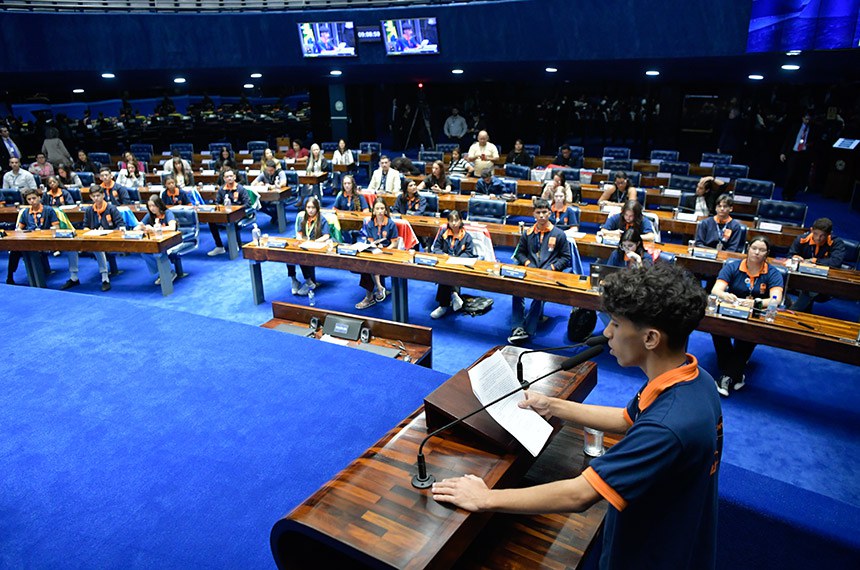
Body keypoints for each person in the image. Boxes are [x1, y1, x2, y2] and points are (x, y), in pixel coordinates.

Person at [433, 264, 720, 570]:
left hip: (651, 555)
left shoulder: (667, 428)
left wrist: (485, 498)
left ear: (650, 338)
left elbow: (579, 495)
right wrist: (553, 406)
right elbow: (627, 419)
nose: (607, 333)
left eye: (616, 325)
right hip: (674, 534)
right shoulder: (695, 379)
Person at [711, 236, 784, 396]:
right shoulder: (733, 266)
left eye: (762, 250)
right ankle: (736, 374)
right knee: (715, 327)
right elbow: (716, 290)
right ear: (748, 249)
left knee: (750, 334)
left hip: (755, 315)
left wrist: (756, 303)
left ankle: (726, 377)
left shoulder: (773, 273)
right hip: (731, 311)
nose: (757, 252)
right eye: (754, 248)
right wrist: (726, 296)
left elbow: (776, 299)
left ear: (767, 253)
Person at [508, 198, 571, 343]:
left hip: (548, 273)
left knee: (539, 294)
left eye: (544, 212)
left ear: (549, 213)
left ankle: (528, 329)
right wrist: (527, 263)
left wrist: (552, 267)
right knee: (516, 290)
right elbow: (520, 253)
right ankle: (517, 327)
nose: (541, 215)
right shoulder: (528, 233)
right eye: (538, 212)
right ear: (534, 214)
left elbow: (565, 257)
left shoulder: (559, 234)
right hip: (530, 271)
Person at [62, 185, 126, 292]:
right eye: (94, 196)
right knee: (71, 246)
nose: (96, 198)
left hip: (108, 239)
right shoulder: (89, 210)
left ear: (103, 195)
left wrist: (106, 231)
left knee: (97, 247)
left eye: (98, 195)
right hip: (91, 237)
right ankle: (74, 277)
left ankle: (105, 278)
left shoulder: (111, 208)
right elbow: (85, 225)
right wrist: (89, 231)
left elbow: (121, 226)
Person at [787, 217, 846, 312]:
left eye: (822, 236)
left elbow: (836, 262)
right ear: (811, 230)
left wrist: (814, 261)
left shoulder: (837, 243)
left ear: (829, 234)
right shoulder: (801, 239)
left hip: (823, 283)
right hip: (801, 278)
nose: (818, 238)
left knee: (809, 289)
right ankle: (789, 305)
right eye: (815, 234)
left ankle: (791, 312)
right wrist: (795, 258)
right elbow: (790, 255)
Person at [6, 187, 59, 285]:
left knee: (34, 250)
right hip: (29, 239)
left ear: (39, 198)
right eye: (29, 199)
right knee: (14, 250)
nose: (32, 201)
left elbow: (56, 227)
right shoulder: (25, 212)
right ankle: (10, 275)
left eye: (34, 198)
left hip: (45, 240)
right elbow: (19, 228)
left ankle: (40, 278)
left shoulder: (48, 210)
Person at [355, 197, 399, 309]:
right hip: (375, 252)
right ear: (373, 210)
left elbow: (394, 243)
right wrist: (374, 246)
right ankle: (379, 288)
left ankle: (370, 295)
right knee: (367, 263)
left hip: (388, 253)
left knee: (369, 265)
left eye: (382, 208)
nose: (380, 211)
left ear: (385, 210)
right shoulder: (370, 224)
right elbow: (370, 241)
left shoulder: (391, 224)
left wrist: (385, 249)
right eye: (377, 208)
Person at [430, 210, 475, 319]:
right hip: (445, 263)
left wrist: (457, 259)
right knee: (445, 273)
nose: (454, 223)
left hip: (459, 265)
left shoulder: (467, 236)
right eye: (451, 221)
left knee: (447, 275)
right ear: (448, 222)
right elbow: (436, 248)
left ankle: (444, 305)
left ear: (461, 221)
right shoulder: (443, 233)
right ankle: (454, 295)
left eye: (456, 220)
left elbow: (469, 253)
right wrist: (443, 255)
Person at [289, 196, 330, 296]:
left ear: (317, 208)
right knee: (288, 255)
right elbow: (299, 233)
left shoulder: (322, 219)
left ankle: (309, 282)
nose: (310, 210)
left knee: (302, 256)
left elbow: (326, 235)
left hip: (316, 246)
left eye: (313, 208)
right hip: (304, 244)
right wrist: (299, 239)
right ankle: (294, 280)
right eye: (308, 207)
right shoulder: (303, 219)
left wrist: (315, 241)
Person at [134, 195, 178, 285]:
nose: (152, 208)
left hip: (170, 240)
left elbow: (172, 227)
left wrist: (154, 229)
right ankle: (163, 272)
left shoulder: (167, 213)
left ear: (159, 205)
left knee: (158, 252)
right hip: (157, 241)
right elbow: (136, 228)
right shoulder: (149, 215)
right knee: (144, 251)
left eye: (154, 206)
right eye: (150, 206)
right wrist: (142, 227)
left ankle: (169, 272)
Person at [207, 169, 250, 256]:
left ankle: (235, 244)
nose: (229, 178)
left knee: (233, 220)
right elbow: (217, 202)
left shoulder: (240, 189)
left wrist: (237, 209)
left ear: (234, 177)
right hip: (225, 213)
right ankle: (219, 247)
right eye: (227, 177)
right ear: (224, 179)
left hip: (239, 214)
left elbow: (247, 204)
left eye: (231, 176)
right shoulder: (221, 189)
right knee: (211, 221)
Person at [780, 111, 814, 200]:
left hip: (804, 154)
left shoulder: (812, 130)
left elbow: (814, 142)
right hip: (794, 153)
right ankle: (785, 193)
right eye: (806, 119)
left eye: (809, 120)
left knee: (799, 175)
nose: (807, 121)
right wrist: (783, 152)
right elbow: (787, 140)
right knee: (791, 174)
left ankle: (792, 194)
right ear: (803, 118)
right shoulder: (795, 127)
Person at [332, 174, 368, 244]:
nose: (347, 185)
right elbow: (334, 209)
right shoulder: (341, 196)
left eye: (349, 183)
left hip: (357, 224)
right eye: (345, 183)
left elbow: (366, 210)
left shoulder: (359, 196)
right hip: (343, 223)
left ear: (352, 184)